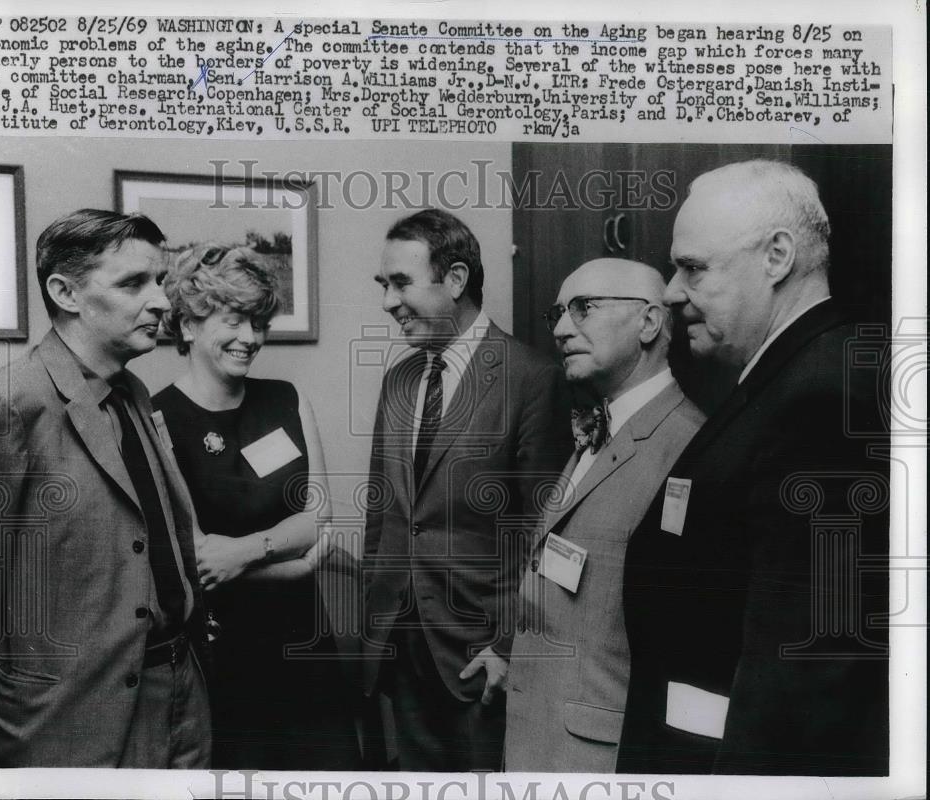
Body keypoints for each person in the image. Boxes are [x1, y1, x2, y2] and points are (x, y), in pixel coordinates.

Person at [617, 160, 890, 775]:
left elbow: (807, 667)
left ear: (776, 257)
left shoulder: (823, 395)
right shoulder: (791, 373)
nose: (669, 291)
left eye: (693, 268)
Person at [0, 209, 210, 767]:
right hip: (63, 721)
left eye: (159, 281)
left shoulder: (134, 391)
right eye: (133, 283)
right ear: (65, 293)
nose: (163, 301)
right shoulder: (15, 402)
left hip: (176, 697)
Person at [363, 208, 571, 771]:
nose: (388, 302)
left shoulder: (531, 379)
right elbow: (383, 513)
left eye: (401, 283)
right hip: (401, 649)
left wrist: (507, 646)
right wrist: (374, 626)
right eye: (384, 285)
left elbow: (543, 535)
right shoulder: (400, 378)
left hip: (479, 658)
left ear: (455, 281)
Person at [152, 243, 361, 770]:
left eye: (259, 321)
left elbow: (319, 516)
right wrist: (295, 566)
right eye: (234, 319)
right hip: (221, 652)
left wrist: (247, 551)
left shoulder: (286, 398)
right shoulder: (158, 420)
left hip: (303, 638)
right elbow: (198, 562)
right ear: (189, 324)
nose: (250, 337)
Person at [504, 259, 704, 772]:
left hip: (600, 756)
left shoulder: (689, 447)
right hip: (539, 733)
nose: (562, 328)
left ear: (649, 323)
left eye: (584, 308)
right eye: (558, 313)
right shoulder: (599, 424)